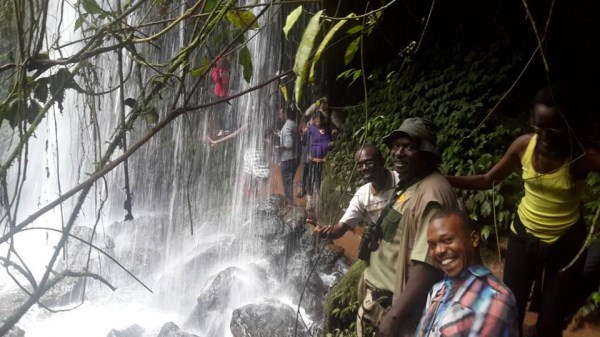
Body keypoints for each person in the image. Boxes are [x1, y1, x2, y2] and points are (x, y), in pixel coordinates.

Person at [445, 86, 600, 337]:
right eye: (539, 125)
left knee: (550, 324)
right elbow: (488, 179)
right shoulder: (523, 146)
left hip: (565, 244)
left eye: (554, 127)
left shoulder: (582, 156)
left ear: (569, 125)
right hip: (523, 236)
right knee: (510, 310)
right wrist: (444, 179)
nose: (545, 134)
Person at [356, 117, 459, 337]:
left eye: (409, 147)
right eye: (396, 146)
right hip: (378, 301)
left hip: (395, 312)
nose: (398, 153)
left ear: (427, 154)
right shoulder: (411, 182)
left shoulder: (432, 195)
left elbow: (428, 266)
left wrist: (395, 317)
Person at [417, 209, 518, 337]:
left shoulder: (496, 298)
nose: (439, 251)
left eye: (448, 240)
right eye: (432, 245)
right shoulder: (437, 289)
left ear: (474, 239)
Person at [313, 144, 399, 240]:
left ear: (382, 161)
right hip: (387, 247)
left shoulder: (402, 181)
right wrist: (326, 231)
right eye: (359, 165)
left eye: (369, 162)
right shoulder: (362, 195)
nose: (364, 168)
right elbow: (341, 228)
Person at [304, 111, 335, 217]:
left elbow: (335, 136)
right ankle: (310, 200)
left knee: (321, 179)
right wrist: (308, 154)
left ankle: (319, 201)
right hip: (312, 158)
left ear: (322, 120)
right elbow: (307, 142)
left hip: (324, 159)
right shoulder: (311, 128)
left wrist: (332, 143)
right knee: (311, 178)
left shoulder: (328, 127)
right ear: (313, 120)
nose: (317, 123)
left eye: (319, 121)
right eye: (315, 121)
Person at [277, 108, 301, 203]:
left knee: (286, 181)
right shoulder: (294, 124)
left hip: (287, 158)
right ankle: (289, 200)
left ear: (286, 114)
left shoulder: (286, 127)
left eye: (281, 114)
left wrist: (279, 147)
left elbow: (289, 144)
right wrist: (281, 135)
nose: (280, 116)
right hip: (295, 157)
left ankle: (289, 202)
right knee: (289, 181)